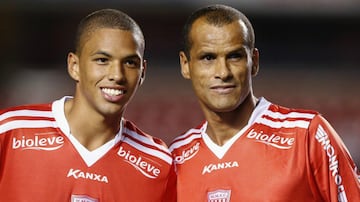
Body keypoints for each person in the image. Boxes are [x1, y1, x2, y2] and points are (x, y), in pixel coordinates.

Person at [169, 4, 360, 201]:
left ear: (254, 61)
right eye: (208, 58)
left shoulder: (306, 135)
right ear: (186, 65)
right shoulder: (175, 158)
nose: (223, 72)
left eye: (235, 56)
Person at [0, 9, 176, 201]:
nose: (117, 75)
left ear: (142, 72)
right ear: (74, 66)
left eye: (130, 63)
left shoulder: (159, 164)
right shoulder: (10, 132)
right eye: (102, 60)